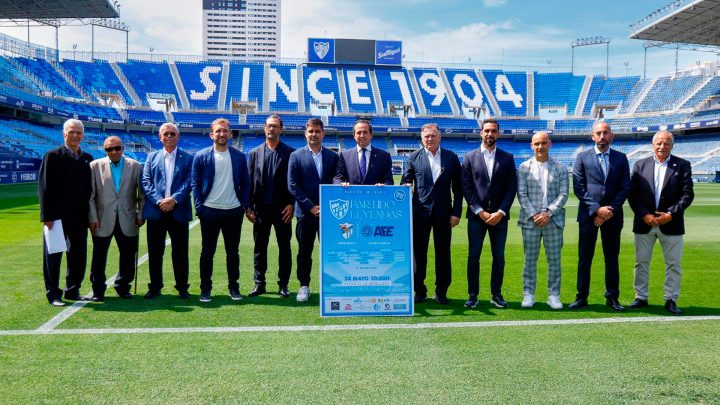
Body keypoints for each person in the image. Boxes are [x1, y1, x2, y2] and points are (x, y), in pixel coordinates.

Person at [627, 130, 694, 315]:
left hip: (671, 224)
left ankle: (671, 299)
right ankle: (641, 297)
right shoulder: (640, 165)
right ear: (653, 145)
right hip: (644, 223)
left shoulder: (682, 165)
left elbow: (688, 195)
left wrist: (670, 214)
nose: (662, 147)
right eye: (659, 143)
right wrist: (644, 215)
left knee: (673, 264)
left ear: (672, 145)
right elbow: (632, 195)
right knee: (641, 262)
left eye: (666, 143)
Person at [570, 121, 630, 311]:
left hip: (613, 216)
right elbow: (579, 187)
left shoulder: (621, 158)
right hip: (588, 216)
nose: (602, 136)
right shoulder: (582, 157)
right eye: (599, 133)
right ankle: (581, 297)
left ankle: (612, 297)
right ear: (592, 136)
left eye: (605, 133)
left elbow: (625, 187)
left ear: (611, 135)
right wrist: (597, 209)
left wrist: (609, 210)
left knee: (612, 257)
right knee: (584, 257)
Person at [401, 123, 462, 304]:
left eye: (433, 136)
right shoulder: (413, 157)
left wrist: (456, 212)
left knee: (443, 253)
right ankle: (419, 290)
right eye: (426, 136)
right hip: (419, 213)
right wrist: (406, 185)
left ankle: (441, 291)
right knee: (419, 253)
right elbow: (406, 180)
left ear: (439, 137)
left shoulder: (451, 157)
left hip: (444, 213)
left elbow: (458, 189)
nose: (429, 139)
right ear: (422, 138)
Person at [191, 118, 250, 303]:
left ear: (230, 134)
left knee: (233, 252)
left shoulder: (239, 156)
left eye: (225, 131)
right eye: (218, 131)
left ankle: (234, 287)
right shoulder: (201, 156)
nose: (222, 134)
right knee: (207, 252)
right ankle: (205, 289)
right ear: (211, 135)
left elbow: (246, 183)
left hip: (233, 211)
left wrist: (244, 206)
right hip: (210, 211)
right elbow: (195, 184)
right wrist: (200, 208)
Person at [461, 118, 517, 309]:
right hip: (477, 217)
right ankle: (473, 294)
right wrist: (479, 211)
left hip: (500, 217)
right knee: (473, 256)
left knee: (499, 256)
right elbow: (466, 188)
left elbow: (511, 188)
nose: (490, 134)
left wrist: (501, 211)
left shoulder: (507, 158)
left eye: (493, 131)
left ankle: (496, 294)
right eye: (487, 131)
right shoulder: (469, 157)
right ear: (481, 132)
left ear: (498, 134)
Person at [38, 119, 93, 306]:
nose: (75, 135)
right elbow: (44, 188)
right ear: (64, 134)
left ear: (83, 135)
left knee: (78, 255)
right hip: (56, 217)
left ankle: (72, 290)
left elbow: (90, 191)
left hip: (79, 216)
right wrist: (47, 216)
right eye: (72, 132)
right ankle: (53, 294)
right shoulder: (52, 156)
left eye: (78, 132)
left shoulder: (88, 159)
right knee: (53, 256)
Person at [87, 136, 145, 301]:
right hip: (102, 218)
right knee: (99, 257)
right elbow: (90, 195)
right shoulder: (95, 166)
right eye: (109, 149)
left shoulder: (135, 166)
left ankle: (122, 286)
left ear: (123, 148)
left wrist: (140, 214)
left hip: (128, 218)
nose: (113, 152)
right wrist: (92, 217)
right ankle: (98, 290)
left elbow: (141, 194)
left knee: (128, 256)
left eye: (117, 148)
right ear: (105, 150)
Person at [287, 118, 339, 302]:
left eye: (317, 131)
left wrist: (325, 205)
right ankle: (304, 286)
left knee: (331, 251)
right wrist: (310, 206)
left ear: (323, 133)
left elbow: (337, 180)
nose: (314, 134)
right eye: (311, 131)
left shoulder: (333, 156)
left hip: (329, 214)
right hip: (305, 214)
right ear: (305, 133)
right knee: (304, 251)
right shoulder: (296, 156)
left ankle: (332, 285)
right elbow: (293, 185)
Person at [516, 131, 568, 310]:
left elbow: (563, 194)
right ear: (532, 145)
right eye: (537, 144)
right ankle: (528, 293)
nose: (540, 147)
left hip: (553, 221)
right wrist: (535, 214)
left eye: (543, 143)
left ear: (549, 144)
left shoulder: (560, 167)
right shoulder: (523, 167)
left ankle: (553, 295)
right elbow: (521, 194)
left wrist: (549, 213)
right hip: (530, 222)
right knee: (530, 259)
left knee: (554, 260)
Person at [142, 123, 193, 299]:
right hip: (156, 212)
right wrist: (159, 201)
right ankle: (155, 287)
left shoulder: (188, 158)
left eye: (172, 134)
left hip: (178, 211)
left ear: (178, 137)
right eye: (166, 134)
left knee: (180, 252)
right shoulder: (151, 157)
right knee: (155, 252)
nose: (169, 136)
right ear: (160, 137)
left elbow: (189, 182)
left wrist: (174, 199)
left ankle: (182, 287)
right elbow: (146, 182)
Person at [246, 115, 295, 297]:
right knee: (260, 248)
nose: (271, 129)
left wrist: (292, 203)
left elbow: (294, 182)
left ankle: (284, 284)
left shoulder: (291, 154)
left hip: (283, 210)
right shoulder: (254, 153)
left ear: (281, 129)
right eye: (268, 126)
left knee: (284, 247)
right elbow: (249, 183)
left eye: (275, 126)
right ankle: (260, 283)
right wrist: (248, 207)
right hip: (260, 210)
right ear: (264, 128)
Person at [333, 120, 393, 186]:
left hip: (375, 195)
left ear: (371, 135)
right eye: (359, 132)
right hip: (352, 196)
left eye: (365, 132)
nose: (362, 135)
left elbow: (389, 180)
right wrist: (340, 183)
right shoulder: (344, 156)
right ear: (354, 136)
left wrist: (384, 185)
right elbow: (337, 177)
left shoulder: (384, 156)